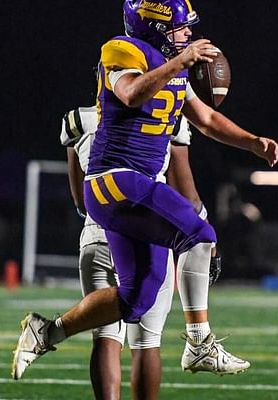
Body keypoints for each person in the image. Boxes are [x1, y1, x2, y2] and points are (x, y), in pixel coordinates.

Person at [12, 0, 278, 381]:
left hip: (136, 190)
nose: (188, 33)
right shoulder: (121, 48)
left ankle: (46, 331)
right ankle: (199, 343)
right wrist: (180, 62)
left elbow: (206, 119)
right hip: (114, 179)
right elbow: (130, 93)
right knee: (200, 235)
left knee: (138, 296)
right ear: (155, 26)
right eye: (181, 27)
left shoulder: (176, 70)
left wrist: (251, 142)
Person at [61, 106, 228, 399]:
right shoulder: (167, 113)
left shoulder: (77, 119)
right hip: (148, 232)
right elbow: (187, 195)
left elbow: (79, 200)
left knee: (105, 337)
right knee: (147, 341)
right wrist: (202, 233)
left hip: (98, 229)